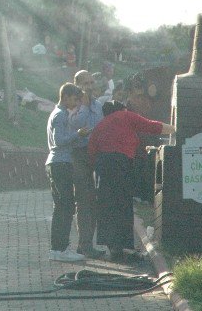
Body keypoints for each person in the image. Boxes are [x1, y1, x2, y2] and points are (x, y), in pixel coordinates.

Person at [87, 100, 175, 262]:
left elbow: (91, 150)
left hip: (102, 167)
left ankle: (112, 246)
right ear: (122, 109)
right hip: (121, 164)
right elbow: (151, 126)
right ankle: (122, 246)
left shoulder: (100, 125)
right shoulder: (125, 115)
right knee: (123, 204)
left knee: (107, 205)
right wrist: (174, 128)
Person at [45, 82, 87, 262]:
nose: (77, 103)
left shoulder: (56, 114)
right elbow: (59, 140)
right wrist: (79, 134)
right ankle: (62, 248)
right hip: (61, 163)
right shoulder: (61, 115)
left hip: (55, 163)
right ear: (66, 96)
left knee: (60, 207)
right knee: (67, 206)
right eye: (75, 99)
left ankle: (57, 248)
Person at [68, 69, 102, 258]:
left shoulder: (98, 105)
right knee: (83, 200)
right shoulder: (74, 106)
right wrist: (84, 105)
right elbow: (75, 125)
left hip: (95, 155)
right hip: (79, 155)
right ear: (77, 85)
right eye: (85, 84)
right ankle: (84, 245)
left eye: (91, 83)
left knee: (94, 200)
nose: (89, 87)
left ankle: (89, 243)